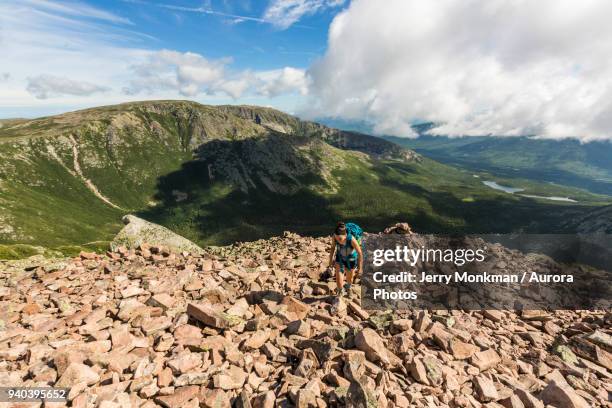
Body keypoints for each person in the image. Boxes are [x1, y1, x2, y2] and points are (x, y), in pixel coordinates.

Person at [328, 222, 363, 297]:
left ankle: (349, 287)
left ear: (345, 235)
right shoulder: (334, 236)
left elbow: (359, 252)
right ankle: (340, 291)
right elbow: (332, 248)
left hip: (351, 259)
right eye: (337, 237)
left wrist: (360, 268)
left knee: (349, 278)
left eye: (340, 237)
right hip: (340, 258)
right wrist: (330, 262)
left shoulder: (351, 239)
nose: (339, 239)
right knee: (338, 276)